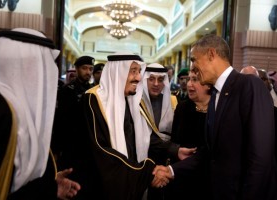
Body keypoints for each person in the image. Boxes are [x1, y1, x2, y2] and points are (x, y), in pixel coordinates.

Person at [153, 34, 277, 200]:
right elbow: (211, 153)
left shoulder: (249, 86)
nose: (193, 66)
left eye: (194, 59)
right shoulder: (216, 94)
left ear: (211, 54)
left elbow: (260, 157)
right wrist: (171, 170)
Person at [69, 52, 194, 200]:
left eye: (139, 71)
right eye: (133, 71)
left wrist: (175, 150)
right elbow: (100, 150)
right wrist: (145, 172)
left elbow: (146, 137)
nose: (138, 77)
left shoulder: (132, 101)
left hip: (128, 180)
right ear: (118, 73)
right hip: (100, 186)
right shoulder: (93, 100)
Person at [0, 28, 80, 199]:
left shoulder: (14, 106)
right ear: (25, 66)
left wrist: (50, 183)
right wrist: (47, 189)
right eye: (42, 66)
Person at [164, 68, 212, 200]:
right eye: (189, 79)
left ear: (208, 84)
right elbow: (174, 140)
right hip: (181, 176)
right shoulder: (182, 108)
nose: (189, 84)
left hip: (208, 180)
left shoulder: (218, 110)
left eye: (195, 80)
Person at [51, 55, 94, 169]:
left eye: (90, 69)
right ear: (76, 69)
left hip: (87, 144)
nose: (88, 72)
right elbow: (61, 120)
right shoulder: (67, 90)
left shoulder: (93, 90)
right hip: (70, 143)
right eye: (84, 68)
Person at [142, 63, 176, 142]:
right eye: (151, 79)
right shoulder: (138, 102)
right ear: (144, 80)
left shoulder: (173, 101)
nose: (156, 84)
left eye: (160, 80)